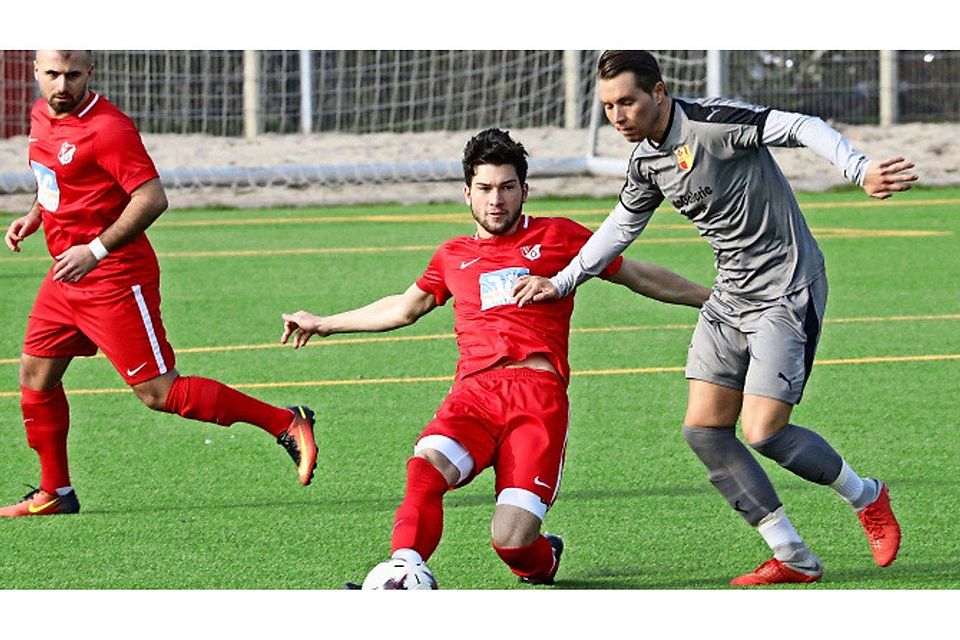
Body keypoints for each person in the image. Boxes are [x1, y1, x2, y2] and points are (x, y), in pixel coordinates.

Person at [513, 50, 917, 586]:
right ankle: (792, 554)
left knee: (764, 432)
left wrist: (858, 167)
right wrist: (561, 282)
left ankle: (867, 496)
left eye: (627, 101)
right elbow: (617, 229)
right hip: (730, 296)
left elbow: (800, 126)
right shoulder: (645, 162)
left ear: (658, 92)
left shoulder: (713, 123)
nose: (617, 116)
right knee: (705, 431)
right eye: (608, 106)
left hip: (786, 288)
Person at [281, 128, 710, 587]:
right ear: (467, 192)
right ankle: (403, 569)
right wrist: (324, 321)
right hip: (475, 395)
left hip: (537, 400)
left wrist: (714, 298)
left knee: (512, 541)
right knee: (426, 465)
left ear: (524, 190)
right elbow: (404, 307)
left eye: (507, 188)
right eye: (485, 189)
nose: (496, 200)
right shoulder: (452, 255)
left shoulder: (560, 236)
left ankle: (543, 558)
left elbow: (637, 274)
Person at [1, 50, 318, 518]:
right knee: (35, 374)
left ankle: (286, 422)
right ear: (35, 72)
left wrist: (95, 250)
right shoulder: (41, 114)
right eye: (52, 74)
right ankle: (55, 492)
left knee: (158, 392)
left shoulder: (109, 129)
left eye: (72, 75)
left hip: (114, 275)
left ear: (91, 73)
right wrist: (35, 215)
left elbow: (152, 197)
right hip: (67, 275)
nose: (61, 86)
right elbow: (55, 176)